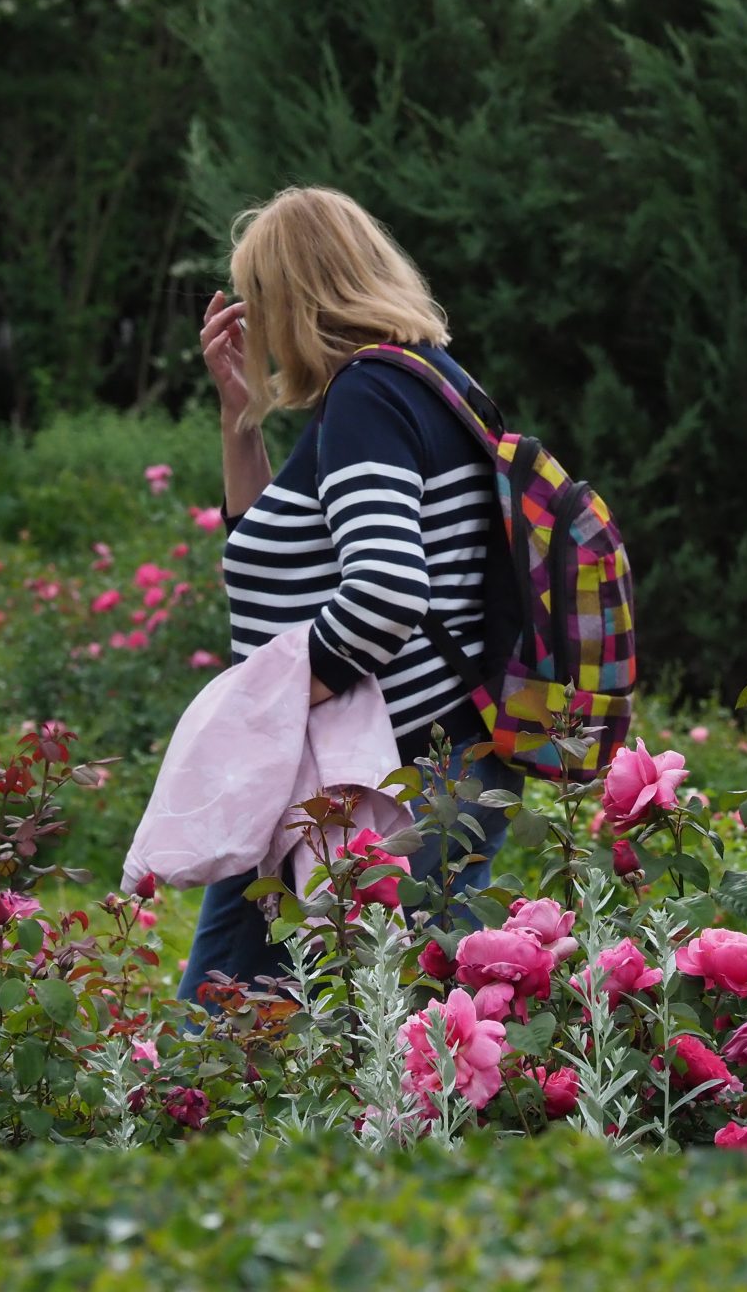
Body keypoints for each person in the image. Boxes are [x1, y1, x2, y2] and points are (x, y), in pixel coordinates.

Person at [177, 185, 514, 1009]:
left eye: (259, 297)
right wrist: (241, 422)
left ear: (290, 297)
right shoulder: (428, 384)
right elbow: (280, 561)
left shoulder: (370, 396)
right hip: (427, 765)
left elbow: (387, 590)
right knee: (388, 1045)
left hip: (375, 778)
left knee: (236, 1047)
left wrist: (273, 709)